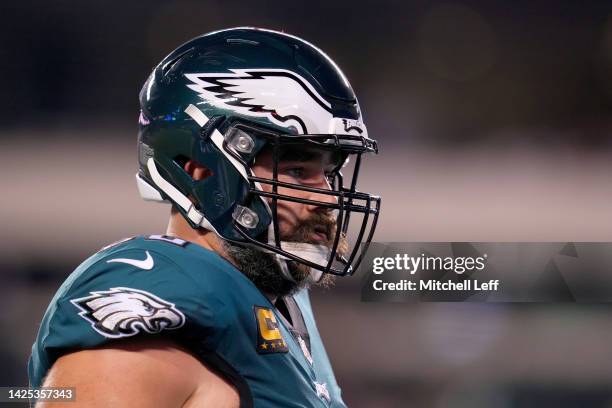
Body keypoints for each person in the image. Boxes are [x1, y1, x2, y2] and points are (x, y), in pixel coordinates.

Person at [28, 27, 380, 407]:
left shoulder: (281, 307)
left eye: (329, 173)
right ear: (197, 167)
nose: (326, 197)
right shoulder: (165, 300)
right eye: (297, 170)